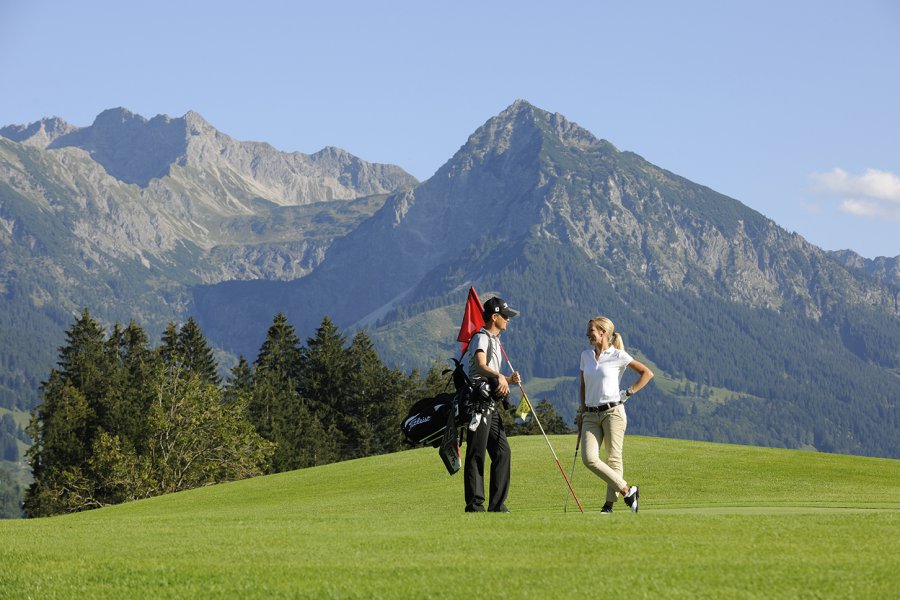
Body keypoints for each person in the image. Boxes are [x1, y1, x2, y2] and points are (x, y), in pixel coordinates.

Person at [577, 316, 653, 513]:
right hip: (591, 415)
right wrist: (582, 412)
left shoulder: (619, 355)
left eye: (591, 331)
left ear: (603, 332)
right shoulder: (586, 355)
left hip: (613, 413)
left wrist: (628, 393)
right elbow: (583, 385)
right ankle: (628, 490)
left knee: (613, 459)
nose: (588, 335)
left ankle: (608, 506)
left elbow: (647, 373)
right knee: (589, 458)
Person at [464, 296, 521, 513]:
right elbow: (480, 366)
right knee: (476, 452)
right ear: (494, 317)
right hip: (478, 403)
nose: (508, 319)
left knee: (502, 452)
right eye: (505, 316)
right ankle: (474, 505)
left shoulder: (495, 340)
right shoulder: (481, 337)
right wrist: (499, 377)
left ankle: (497, 505)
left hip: (490, 403)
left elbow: (492, 374)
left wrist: (508, 380)